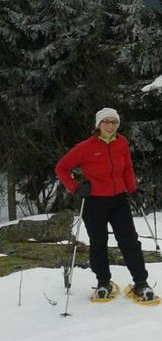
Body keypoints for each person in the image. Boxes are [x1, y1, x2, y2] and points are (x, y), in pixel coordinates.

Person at [55, 107, 156, 301]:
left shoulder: (122, 142)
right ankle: (103, 282)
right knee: (99, 243)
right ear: (98, 124)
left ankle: (141, 282)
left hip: (119, 200)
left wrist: (132, 188)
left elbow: (127, 167)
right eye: (106, 122)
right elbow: (62, 167)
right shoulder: (85, 147)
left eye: (114, 122)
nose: (110, 125)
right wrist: (75, 188)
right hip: (94, 202)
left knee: (129, 242)